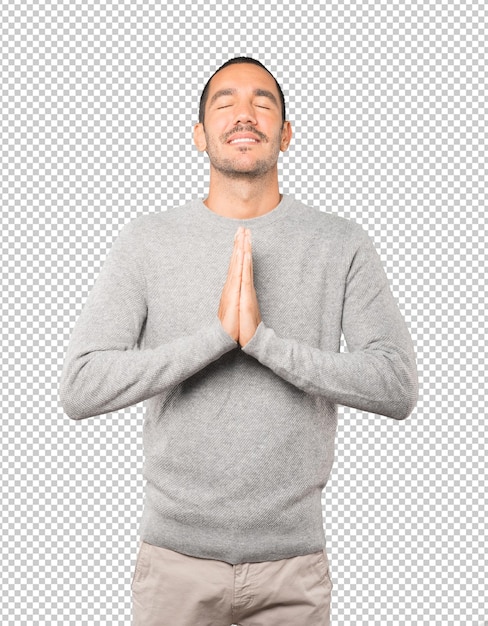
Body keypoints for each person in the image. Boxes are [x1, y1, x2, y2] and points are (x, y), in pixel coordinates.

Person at [59, 57, 418, 626]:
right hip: (174, 565)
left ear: (287, 133)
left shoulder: (341, 243)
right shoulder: (147, 241)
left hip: (293, 568)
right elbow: (80, 388)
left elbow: (396, 384)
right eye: (224, 103)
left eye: (263, 102)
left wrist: (264, 343)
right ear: (199, 135)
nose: (244, 115)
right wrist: (218, 337)